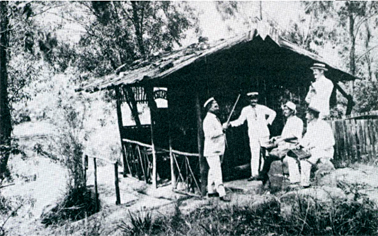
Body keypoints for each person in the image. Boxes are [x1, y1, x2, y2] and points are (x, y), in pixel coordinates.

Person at [226, 92, 276, 181]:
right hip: (253, 135)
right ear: (248, 100)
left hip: (264, 133)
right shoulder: (245, 110)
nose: (253, 100)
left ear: (257, 99)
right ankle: (254, 174)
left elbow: (273, 113)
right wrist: (231, 124)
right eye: (251, 99)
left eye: (255, 99)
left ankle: (263, 173)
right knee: (254, 153)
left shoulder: (262, 108)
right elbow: (240, 121)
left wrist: (267, 122)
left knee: (264, 153)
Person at [287, 105, 335, 188]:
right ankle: (295, 181)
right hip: (312, 150)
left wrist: (313, 148)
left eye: (307, 114)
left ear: (312, 115)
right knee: (290, 156)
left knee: (304, 160)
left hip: (324, 151)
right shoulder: (310, 125)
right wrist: (300, 145)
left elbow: (331, 142)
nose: (305, 117)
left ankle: (305, 185)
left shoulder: (324, 125)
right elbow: (306, 139)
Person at [258, 101, 304, 186]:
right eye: (284, 110)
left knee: (270, 155)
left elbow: (295, 136)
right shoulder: (288, 121)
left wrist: (281, 139)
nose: (284, 111)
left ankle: (263, 175)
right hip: (284, 145)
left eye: (287, 110)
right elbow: (285, 135)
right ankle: (264, 176)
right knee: (264, 148)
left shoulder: (298, 121)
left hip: (292, 146)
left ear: (292, 111)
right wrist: (276, 137)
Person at [203, 97, 230, 202]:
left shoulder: (214, 118)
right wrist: (221, 129)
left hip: (217, 149)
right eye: (215, 105)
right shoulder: (208, 119)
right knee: (217, 172)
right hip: (212, 150)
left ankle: (210, 191)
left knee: (212, 171)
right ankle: (222, 194)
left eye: (217, 104)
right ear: (209, 107)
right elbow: (209, 135)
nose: (217, 106)